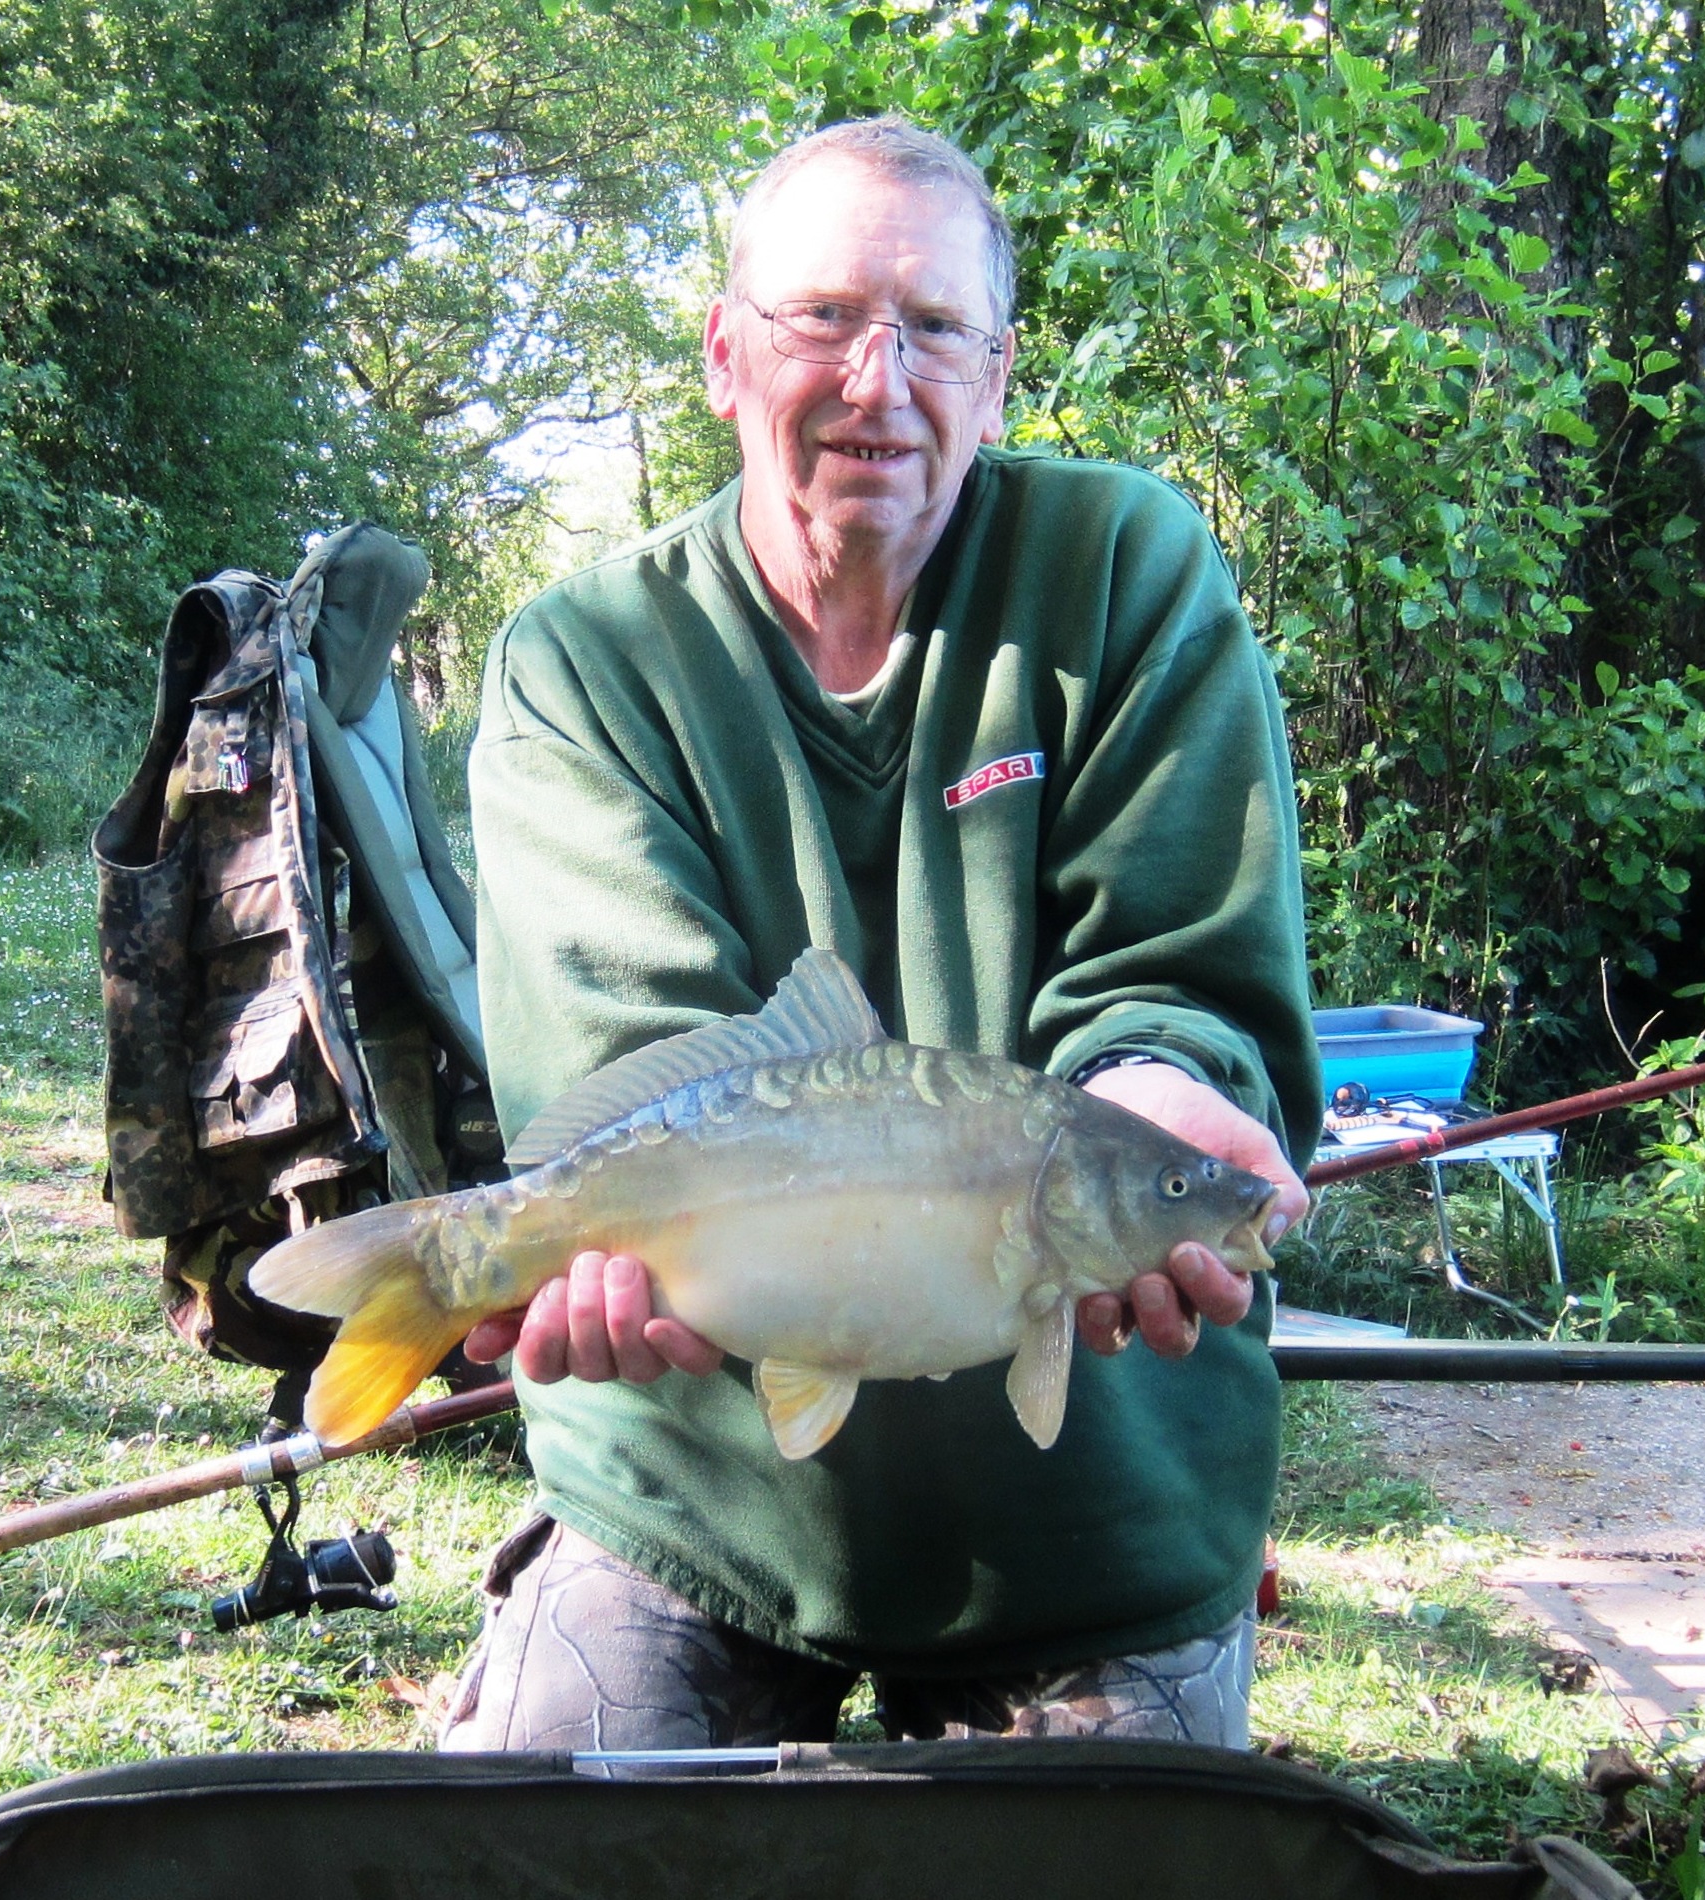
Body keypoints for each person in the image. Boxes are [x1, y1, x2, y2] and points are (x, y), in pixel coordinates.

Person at [438, 116, 1320, 1752]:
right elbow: (645, 1079)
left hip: (1095, 1516)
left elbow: (1180, 982)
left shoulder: (1128, 570)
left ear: (997, 375)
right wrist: (576, 1256)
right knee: (543, 1840)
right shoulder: (585, 658)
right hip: (698, 1496)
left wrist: (1173, 1112)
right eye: (824, 318)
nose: (876, 379)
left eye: (931, 329)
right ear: (722, 354)